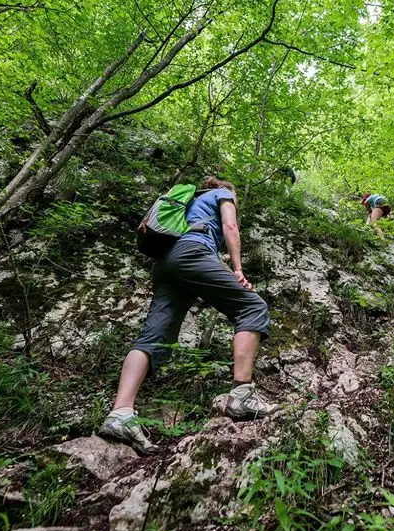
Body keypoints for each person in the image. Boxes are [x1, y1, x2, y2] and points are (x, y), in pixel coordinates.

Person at [99, 177, 277, 455]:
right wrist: (238, 269)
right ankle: (241, 395)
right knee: (252, 307)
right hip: (192, 254)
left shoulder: (189, 203)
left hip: (166, 263)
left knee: (153, 336)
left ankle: (120, 413)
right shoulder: (222, 194)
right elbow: (230, 226)